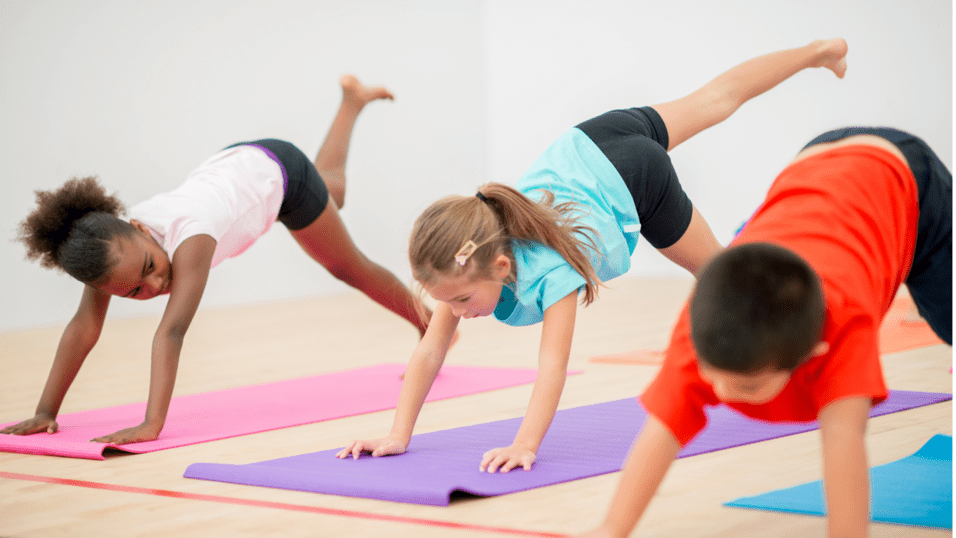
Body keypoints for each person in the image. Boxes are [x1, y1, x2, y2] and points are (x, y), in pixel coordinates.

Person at [336, 39, 850, 473]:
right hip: (590, 141)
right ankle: (820, 51)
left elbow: (552, 366)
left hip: (636, 177)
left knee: (722, 274)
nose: (455, 311)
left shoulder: (548, 272)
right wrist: (397, 434)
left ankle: (808, 300)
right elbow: (431, 350)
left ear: (501, 267)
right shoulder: (466, 264)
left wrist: (525, 445)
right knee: (715, 99)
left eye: (463, 301)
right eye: (448, 302)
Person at [2, 75, 431, 445]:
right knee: (333, 189)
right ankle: (352, 102)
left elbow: (171, 331)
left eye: (150, 268)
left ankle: (429, 326)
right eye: (134, 292)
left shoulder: (192, 237)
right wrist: (45, 411)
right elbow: (84, 327)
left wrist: (152, 424)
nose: (155, 285)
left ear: (140, 228)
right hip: (238, 165)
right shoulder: (110, 254)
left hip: (281, 174)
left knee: (347, 266)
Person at [580, 127, 952, 538]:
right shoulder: (712, 319)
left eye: (748, 385)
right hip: (815, 163)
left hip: (907, 180)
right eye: (710, 374)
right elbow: (662, 428)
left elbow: (844, 444)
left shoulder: (844, 327)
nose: (721, 393)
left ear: (814, 353)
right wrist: (611, 529)